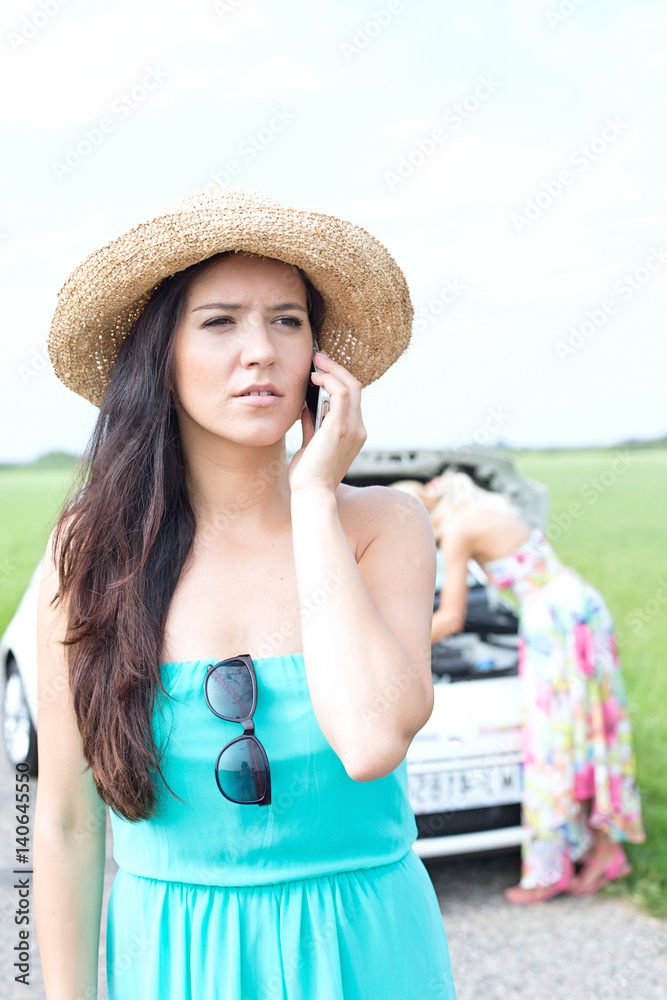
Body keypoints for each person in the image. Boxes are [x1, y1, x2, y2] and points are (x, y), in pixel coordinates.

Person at [34, 185, 457, 999]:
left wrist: (313, 499)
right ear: (159, 355)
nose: (260, 350)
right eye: (220, 321)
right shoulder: (92, 553)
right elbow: (64, 820)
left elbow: (370, 741)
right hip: (173, 957)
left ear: (319, 361)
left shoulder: (383, 526)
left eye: (287, 321)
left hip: (365, 951)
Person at [390, 470, 645, 904]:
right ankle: (605, 850)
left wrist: (393, 645)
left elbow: (451, 617)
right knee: (590, 733)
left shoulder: (459, 531)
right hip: (579, 609)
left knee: (552, 742)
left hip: (555, 625)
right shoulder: (479, 513)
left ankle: (551, 869)